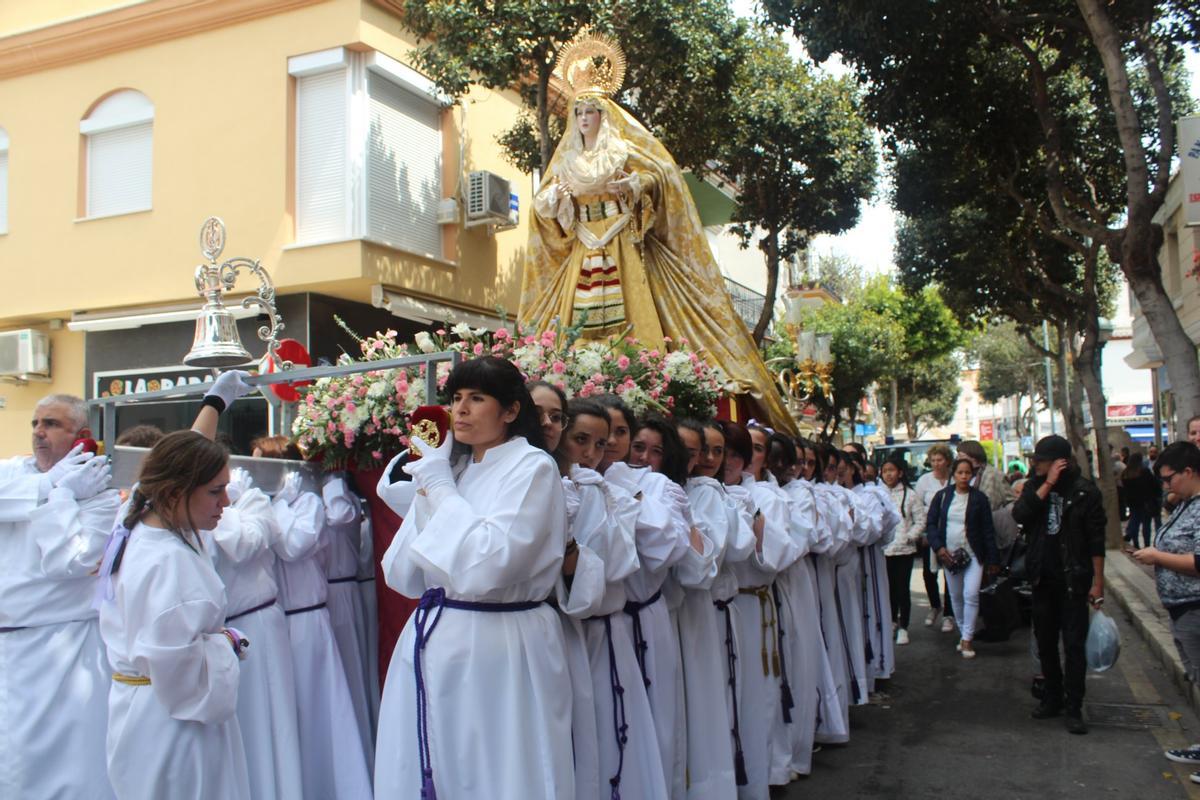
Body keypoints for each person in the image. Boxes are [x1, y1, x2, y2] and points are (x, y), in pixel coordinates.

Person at [520, 29, 793, 429]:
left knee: (633, 314)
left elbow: (662, 173)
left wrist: (636, 184)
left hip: (621, 243)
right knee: (576, 325)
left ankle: (640, 372)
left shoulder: (623, 149)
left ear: (603, 115)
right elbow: (543, 209)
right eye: (577, 112)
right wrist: (554, 200)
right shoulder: (564, 161)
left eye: (590, 111)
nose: (583, 118)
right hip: (583, 246)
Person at [375, 356, 574, 799]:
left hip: (502, 642)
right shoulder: (458, 468)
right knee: (434, 760)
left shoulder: (532, 468)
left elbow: (493, 563)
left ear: (510, 411)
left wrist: (439, 486)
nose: (460, 409)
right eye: (456, 398)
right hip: (436, 638)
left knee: (498, 766)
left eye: (477, 398)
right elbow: (403, 571)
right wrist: (432, 486)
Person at [99, 372, 255, 799]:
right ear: (175, 493)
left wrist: (214, 404)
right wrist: (226, 643)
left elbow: (180, 459)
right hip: (176, 730)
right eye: (216, 492)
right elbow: (186, 685)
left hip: (136, 712)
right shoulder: (170, 565)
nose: (226, 502)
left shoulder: (137, 514)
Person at [0, 394, 120, 800]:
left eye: (51, 424)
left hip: (65, 647)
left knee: (72, 766)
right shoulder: (14, 471)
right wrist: (50, 485)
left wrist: (64, 497)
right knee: (13, 765)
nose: (38, 432)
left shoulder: (99, 493)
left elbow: (71, 560)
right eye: (35, 423)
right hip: (9, 648)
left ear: (81, 435)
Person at [202, 461, 304, 800]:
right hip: (223, 631)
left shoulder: (255, 500)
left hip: (258, 623)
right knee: (241, 727)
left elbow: (243, 546)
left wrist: (230, 502)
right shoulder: (199, 507)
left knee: (271, 725)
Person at [1012, 434, 1106, 735]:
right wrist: (1047, 483)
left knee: (1074, 645)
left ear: (1059, 462)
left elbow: (1096, 541)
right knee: (1046, 642)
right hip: (1042, 577)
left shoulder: (1084, 492)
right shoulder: (1035, 486)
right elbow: (1020, 514)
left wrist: (1098, 583)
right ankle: (1052, 697)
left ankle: (1074, 705)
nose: (1035, 465)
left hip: (1073, 579)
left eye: (1041, 461)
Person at [1128, 443, 1200, 779]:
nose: (1166, 486)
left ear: (1189, 472)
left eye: (1170, 479)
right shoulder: (1187, 504)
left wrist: (1157, 557)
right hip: (1179, 607)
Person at [926, 457, 1000, 660]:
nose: (964, 476)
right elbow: (931, 524)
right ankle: (963, 632)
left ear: (972, 475)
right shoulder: (942, 497)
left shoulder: (979, 499)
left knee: (971, 593)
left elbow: (988, 530)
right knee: (956, 596)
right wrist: (939, 548)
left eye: (968, 473)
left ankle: (967, 637)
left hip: (974, 554)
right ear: (954, 474)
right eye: (960, 472)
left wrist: (993, 559)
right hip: (949, 555)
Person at [881, 456, 924, 645]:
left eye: (891, 470)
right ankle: (891, 621)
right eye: (884, 471)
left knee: (903, 590)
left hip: (904, 551)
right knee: (888, 589)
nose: (888, 474)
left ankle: (904, 626)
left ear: (900, 472)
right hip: (884, 550)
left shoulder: (911, 494)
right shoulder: (877, 493)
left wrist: (909, 537)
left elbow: (920, 521)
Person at [915, 444, 954, 632]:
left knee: (950, 572)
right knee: (929, 573)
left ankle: (949, 613)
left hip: (951, 532)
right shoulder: (924, 480)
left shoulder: (954, 479)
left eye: (940, 459)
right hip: (930, 532)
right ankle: (934, 606)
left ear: (947, 460)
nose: (937, 464)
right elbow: (917, 507)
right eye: (933, 460)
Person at [956, 440, 1009, 510]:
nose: (958, 459)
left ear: (973, 457)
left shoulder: (992, 474)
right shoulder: (970, 474)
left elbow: (993, 503)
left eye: (961, 456)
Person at [1122, 452, 1159, 549]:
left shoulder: (1126, 473)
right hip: (1145, 501)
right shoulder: (1144, 471)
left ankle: (1135, 543)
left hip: (1132, 502)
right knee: (1146, 524)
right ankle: (1146, 544)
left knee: (1135, 521)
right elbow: (1154, 485)